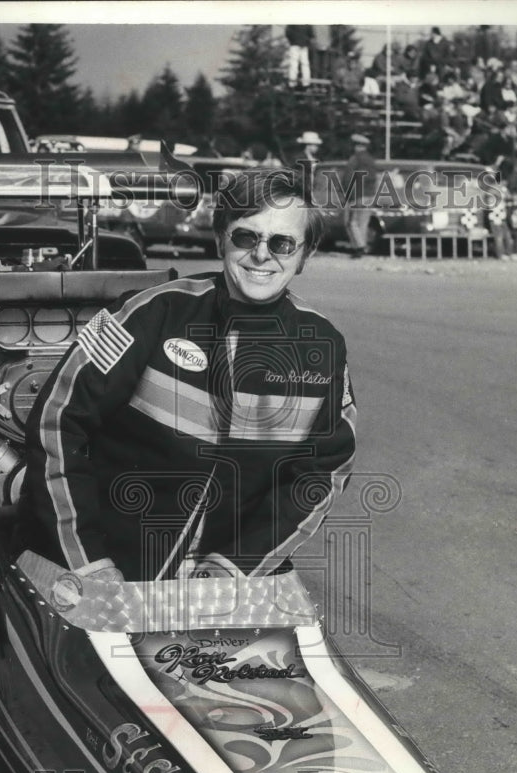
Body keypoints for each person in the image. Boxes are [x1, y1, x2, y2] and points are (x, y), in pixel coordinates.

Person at [19, 170, 356, 583]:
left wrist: (239, 565)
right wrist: (87, 558)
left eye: (283, 243)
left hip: (233, 584)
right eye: (246, 237)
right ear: (220, 239)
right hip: (109, 570)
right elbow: (57, 420)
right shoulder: (144, 311)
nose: (262, 255)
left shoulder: (323, 346)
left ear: (304, 256)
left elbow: (323, 473)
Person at [342, 134, 377, 258]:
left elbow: (348, 178)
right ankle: (361, 248)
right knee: (363, 223)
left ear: (356, 146)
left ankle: (359, 247)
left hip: (356, 194)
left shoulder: (354, 159)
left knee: (351, 222)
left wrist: (347, 194)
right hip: (370, 195)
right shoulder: (370, 159)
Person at [292, 130, 322, 195]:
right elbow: (297, 177)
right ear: (308, 145)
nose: (317, 147)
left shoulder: (316, 159)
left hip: (314, 191)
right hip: (302, 192)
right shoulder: (299, 159)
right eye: (315, 145)